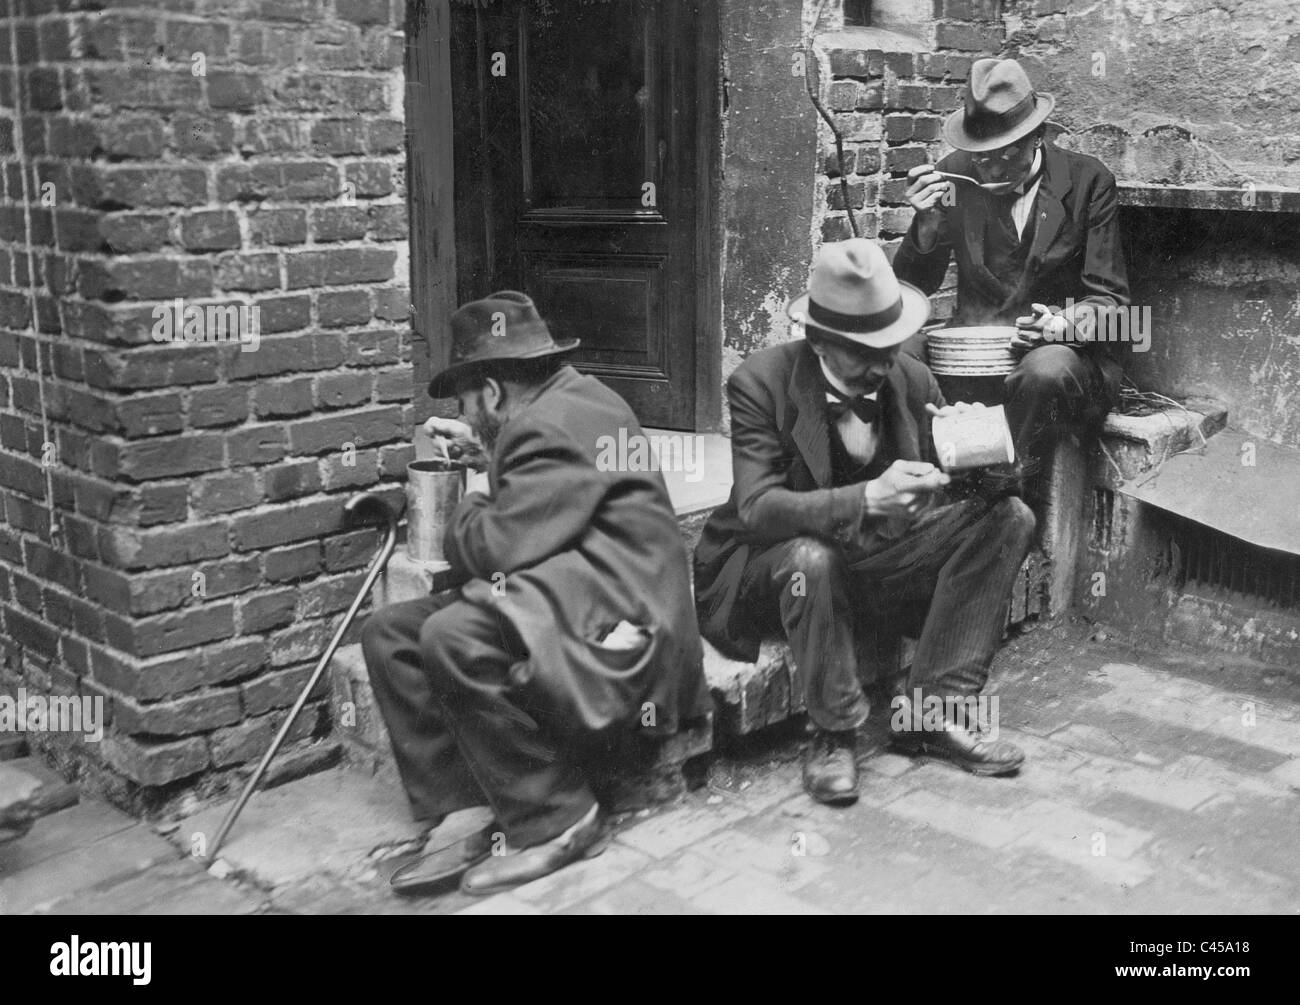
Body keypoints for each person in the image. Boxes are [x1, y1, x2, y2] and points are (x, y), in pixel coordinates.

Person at [362, 291, 709, 896]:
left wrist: (468, 489)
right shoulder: (568, 401)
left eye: (470, 404)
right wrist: (492, 455)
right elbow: (538, 509)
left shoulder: (550, 426)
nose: (469, 417)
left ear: (493, 391)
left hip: (628, 626)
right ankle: (471, 804)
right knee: (391, 633)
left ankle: (561, 819)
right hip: (586, 590)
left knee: (451, 634)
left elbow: (494, 548)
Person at [693, 240, 1035, 806]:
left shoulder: (912, 378)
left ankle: (934, 712)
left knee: (1010, 518)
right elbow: (758, 508)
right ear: (820, 341)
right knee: (812, 558)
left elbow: (978, 492)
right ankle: (833, 735)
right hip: (772, 565)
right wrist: (867, 498)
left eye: (891, 343)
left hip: (875, 562)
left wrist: (981, 452)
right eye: (864, 351)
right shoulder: (761, 382)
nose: (883, 362)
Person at [893, 57, 1130, 487]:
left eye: (1006, 153)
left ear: (1037, 135)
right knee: (896, 351)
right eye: (981, 157)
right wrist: (925, 226)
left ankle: (1000, 495)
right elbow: (911, 291)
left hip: (1058, 359)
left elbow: (1115, 307)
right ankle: (918, 485)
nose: (993, 169)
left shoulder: (1089, 181)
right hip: (972, 356)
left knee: (1045, 368)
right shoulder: (954, 174)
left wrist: (1061, 324)